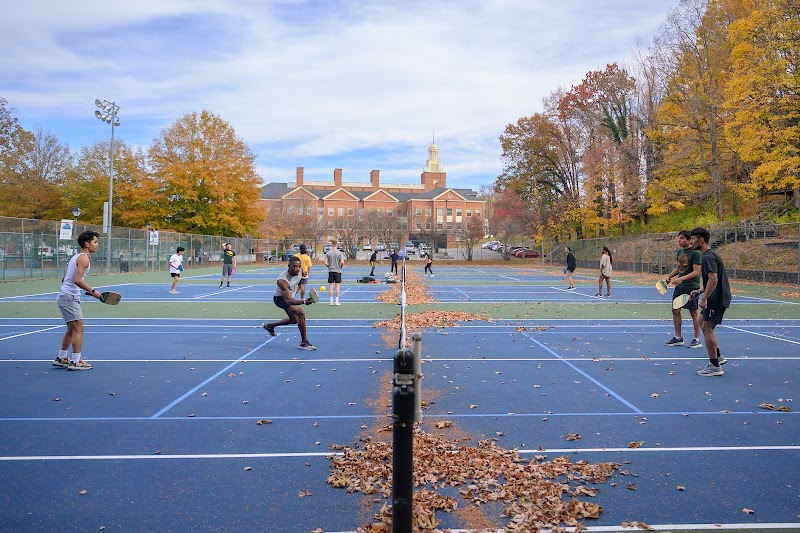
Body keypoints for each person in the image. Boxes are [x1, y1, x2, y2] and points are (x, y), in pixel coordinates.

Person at [52, 230, 104, 371]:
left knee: (71, 329)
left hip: (65, 295)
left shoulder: (76, 257)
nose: (97, 244)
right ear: (87, 244)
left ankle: (62, 358)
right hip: (69, 297)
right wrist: (94, 292)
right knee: (78, 329)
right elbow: (77, 280)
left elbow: (64, 279)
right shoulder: (84, 259)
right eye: (95, 242)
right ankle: (76, 361)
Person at [690, 227, 731, 377]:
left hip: (716, 299)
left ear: (701, 240)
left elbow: (714, 279)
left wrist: (705, 298)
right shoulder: (709, 255)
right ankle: (718, 355)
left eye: (693, 238)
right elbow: (709, 280)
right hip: (715, 297)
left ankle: (715, 366)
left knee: (707, 327)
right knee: (702, 321)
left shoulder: (707, 257)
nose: (691, 241)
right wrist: (700, 291)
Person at [261, 256, 315, 350]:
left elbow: (303, 273)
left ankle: (269, 326)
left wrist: (304, 273)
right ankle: (304, 343)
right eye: (294, 266)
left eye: (299, 266)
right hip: (280, 299)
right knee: (300, 312)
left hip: (289, 297)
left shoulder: (299, 270)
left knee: (294, 320)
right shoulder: (282, 280)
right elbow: (288, 300)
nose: (297, 269)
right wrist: (304, 301)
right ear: (288, 266)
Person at [664, 230, 703, 348]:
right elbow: (679, 268)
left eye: (681, 238)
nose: (679, 240)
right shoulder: (680, 251)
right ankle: (678, 337)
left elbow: (696, 272)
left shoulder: (696, 253)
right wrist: (669, 277)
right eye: (678, 238)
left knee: (693, 312)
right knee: (675, 310)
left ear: (689, 240)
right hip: (680, 287)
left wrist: (682, 279)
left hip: (691, 287)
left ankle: (697, 339)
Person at [324, 239, 345, 305]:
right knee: (337, 286)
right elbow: (342, 262)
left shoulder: (328, 253)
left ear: (331, 244)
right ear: (337, 244)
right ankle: (336, 301)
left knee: (331, 286)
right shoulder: (340, 253)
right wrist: (340, 267)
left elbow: (325, 263)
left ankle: (331, 301)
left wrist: (329, 266)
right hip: (337, 271)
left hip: (331, 271)